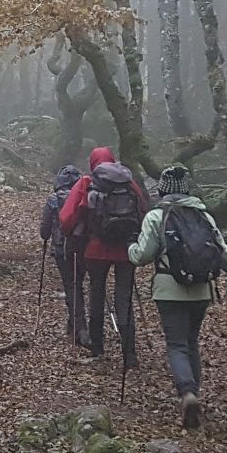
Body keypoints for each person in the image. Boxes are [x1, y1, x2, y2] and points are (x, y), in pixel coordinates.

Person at [130, 164, 227, 429]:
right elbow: (225, 255)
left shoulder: (156, 216)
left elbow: (142, 256)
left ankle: (187, 393)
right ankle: (194, 393)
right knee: (191, 341)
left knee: (176, 344)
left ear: (162, 190)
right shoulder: (203, 215)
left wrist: (130, 248)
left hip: (169, 289)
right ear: (187, 190)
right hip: (201, 289)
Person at [58, 146, 148, 364]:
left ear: (92, 163)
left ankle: (97, 347)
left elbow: (67, 218)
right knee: (124, 298)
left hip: (96, 249)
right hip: (126, 250)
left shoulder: (87, 182)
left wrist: (73, 235)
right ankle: (129, 353)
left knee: (96, 294)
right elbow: (144, 210)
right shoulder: (129, 182)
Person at [38, 164, 83, 333]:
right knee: (78, 283)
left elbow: (44, 231)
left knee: (70, 285)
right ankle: (77, 324)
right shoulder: (84, 196)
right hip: (81, 247)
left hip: (61, 249)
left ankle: (77, 325)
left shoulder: (53, 199)